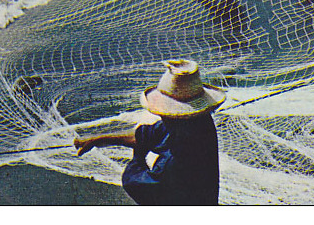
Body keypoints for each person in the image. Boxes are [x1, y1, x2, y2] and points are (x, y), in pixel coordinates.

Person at [75, 59, 225, 205]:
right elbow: (147, 135)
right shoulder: (197, 122)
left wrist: (138, 157)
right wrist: (96, 139)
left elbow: (137, 184)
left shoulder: (173, 163)